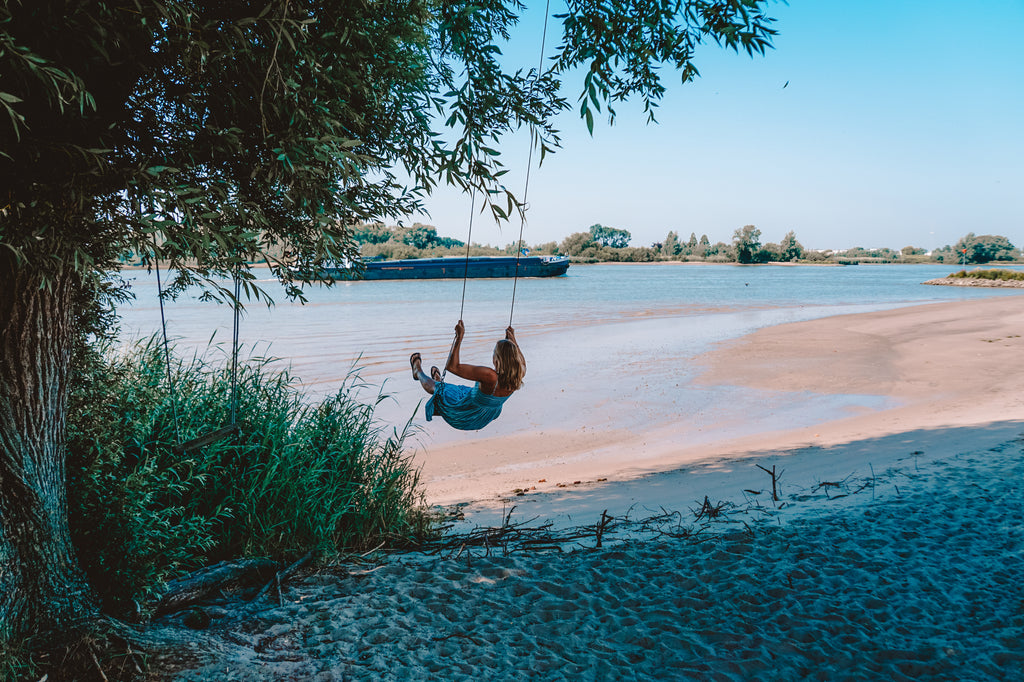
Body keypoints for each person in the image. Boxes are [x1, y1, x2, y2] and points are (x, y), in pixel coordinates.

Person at [410, 320, 525, 431]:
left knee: (438, 389)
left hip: (467, 414)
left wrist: (459, 337)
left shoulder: (490, 376)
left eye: (494, 353)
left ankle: (418, 371)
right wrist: (513, 340)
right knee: (457, 390)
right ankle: (439, 381)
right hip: (487, 415)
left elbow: (452, 367)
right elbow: (521, 361)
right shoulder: (519, 373)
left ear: (497, 359)